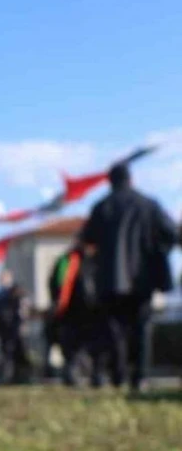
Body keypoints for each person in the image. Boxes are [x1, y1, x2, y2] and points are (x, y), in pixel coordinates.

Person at [79, 164, 178, 393]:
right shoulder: (149, 205)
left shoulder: (101, 207)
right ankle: (140, 377)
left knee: (115, 331)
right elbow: (171, 233)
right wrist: (156, 252)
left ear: (110, 182)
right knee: (141, 329)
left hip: (109, 280)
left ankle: (118, 375)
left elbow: (87, 238)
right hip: (142, 279)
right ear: (131, 179)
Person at [48, 244, 103, 387]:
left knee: (89, 346)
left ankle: (94, 375)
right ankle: (73, 375)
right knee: (72, 346)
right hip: (71, 311)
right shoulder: (67, 260)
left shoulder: (96, 260)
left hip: (90, 311)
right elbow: (58, 284)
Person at [0, 269, 31, 385]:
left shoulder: (16, 292)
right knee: (7, 355)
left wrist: (20, 325)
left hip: (15, 329)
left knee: (18, 354)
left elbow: (22, 310)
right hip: (4, 330)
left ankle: (21, 377)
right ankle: (9, 378)